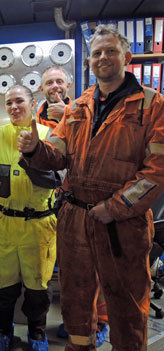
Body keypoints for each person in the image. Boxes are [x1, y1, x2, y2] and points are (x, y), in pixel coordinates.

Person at [18, 24, 164, 351]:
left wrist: (114, 208)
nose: (102, 57)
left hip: (122, 226)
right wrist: (32, 149)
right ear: (89, 63)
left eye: (110, 51)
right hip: (75, 221)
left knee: (126, 302)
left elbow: (157, 172)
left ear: (126, 57)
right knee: (75, 297)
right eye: (96, 53)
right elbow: (55, 155)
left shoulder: (152, 106)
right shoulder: (77, 109)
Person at [0, 85, 59, 351]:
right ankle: (2, 330)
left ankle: (37, 333)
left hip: (37, 225)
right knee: (1, 285)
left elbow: (57, 179)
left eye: (19, 101)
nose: (13, 107)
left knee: (38, 287)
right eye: (9, 103)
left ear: (32, 104)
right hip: (3, 224)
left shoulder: (48, 135)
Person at [38, 66, 110, 346]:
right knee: (68, 272)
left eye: (59, 81)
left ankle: (100, 321)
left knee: (94, 269)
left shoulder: (84, 112)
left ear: (68, 84)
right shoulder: (35, 120)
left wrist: (65, 119)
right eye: (49, 83)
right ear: (41, 89)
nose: (55, 86)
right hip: (51, 204)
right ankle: (76, 323)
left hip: (82, 200)